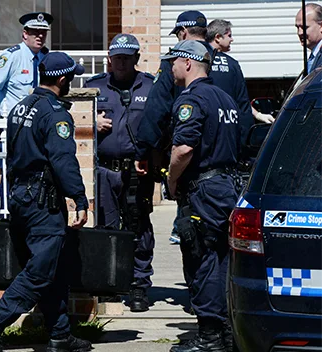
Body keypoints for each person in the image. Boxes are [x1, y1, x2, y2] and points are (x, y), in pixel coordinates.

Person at [0, 52, 91, 352]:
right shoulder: (55, 114)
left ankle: (60, 335)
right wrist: (79, 198)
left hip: (21, 198)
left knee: (53, 267)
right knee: (40, 270)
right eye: (71, 78)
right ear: (63, 80)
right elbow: (63, 161)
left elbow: (12, 156)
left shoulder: (19, 107)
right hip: (43, 202)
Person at [134, 10, 253, 247]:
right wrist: (240, 156)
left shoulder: (176, 63)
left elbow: (156, 110)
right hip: (228, 172)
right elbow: (244, 116)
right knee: (223, 244)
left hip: (192, 171)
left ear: (183, 33)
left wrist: (144, 151)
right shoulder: (231, 65)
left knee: (197, 246)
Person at [162, 40, 240, 352]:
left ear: (189, 64)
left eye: (174, 61)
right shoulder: (225, 98)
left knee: (203, 257)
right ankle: (224, 331)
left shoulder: (192, 99)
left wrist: (170, 180)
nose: (171, 67)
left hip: (203, 190)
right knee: (223, 258)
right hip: (226, 185)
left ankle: (209, 337)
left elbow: (183, 149)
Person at [83, 33, 155, 312]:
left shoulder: (151, 87)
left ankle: (139, 286)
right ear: (109, 59)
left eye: (128, 57)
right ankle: (110, 283)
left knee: (139, 228)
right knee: (106, 229)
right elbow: (70, 120)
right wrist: (91, 120)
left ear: (136, 58)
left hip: (138, 171)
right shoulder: (93, 87)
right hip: (103, 171)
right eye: (117, 57)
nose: (122, 62)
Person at [0, 12, 53, 215]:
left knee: (35, 172)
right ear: (25, 34)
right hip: (12, 127)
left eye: (43, 33)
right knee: (11, 172)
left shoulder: (47, 58)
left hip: (36, 126)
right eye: (35, 32)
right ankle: (7, 214)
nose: (40, 36)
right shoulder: (12, 56)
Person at [206, 19, 274, 124]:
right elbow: (241, 101)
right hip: (229, 126)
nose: (232, 39)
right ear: (218, 38)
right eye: (229, 36)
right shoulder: (232, 64)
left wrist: (258, 114)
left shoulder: (197, 61)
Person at [296, 3, 322, 75]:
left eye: (304, 27)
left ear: (321, 26)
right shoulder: (314, 57)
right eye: (297, 28)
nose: (299, 32)